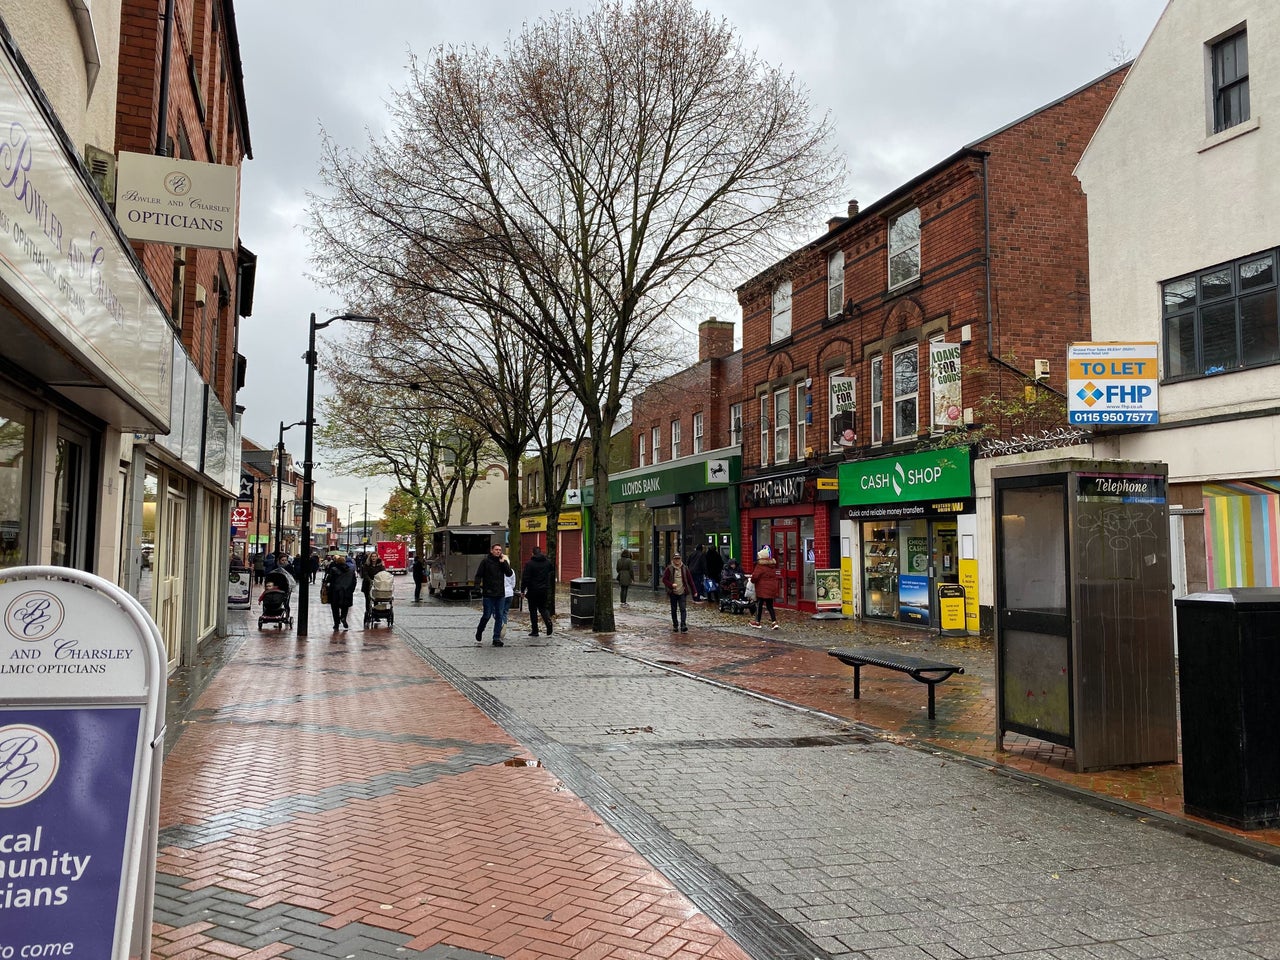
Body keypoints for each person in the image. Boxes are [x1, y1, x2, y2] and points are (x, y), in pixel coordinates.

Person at [473, 543, 513, 646]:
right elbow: (478, 575)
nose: (498, 551)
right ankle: (480, 629)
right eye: (496, 550)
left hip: (500, 594)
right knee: (487, 615)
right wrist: (477, 587)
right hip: (488, 594)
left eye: (500, 550)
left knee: (499, 616)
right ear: (492, 550)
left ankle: (496, 638)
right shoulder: (485, 562)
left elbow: (509, 574)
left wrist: (503, 563)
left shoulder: (502, 562)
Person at [522, 546, 555, 636]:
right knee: (543, 608)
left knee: (533, 610)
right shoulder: (547, 562)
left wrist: (522, 590)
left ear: (532, 553)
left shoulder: (529, 564)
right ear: (541, 552)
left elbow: (525, 578)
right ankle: (548, 621)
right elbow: (551, 570)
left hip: (532, 590)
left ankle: (535, 630)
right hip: (544, 589)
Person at [661, 552, 696, 632]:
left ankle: (683, 625)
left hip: (682, 591)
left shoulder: (685, 568)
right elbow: (664, 579)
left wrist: (694, 591)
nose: (677, 560)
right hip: (673, 592)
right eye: (675, 559)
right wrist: (671, 585)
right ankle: (675, 625)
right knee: (674, 609)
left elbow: (690, 580)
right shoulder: (669, 569)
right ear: (673, 560)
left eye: (678, 559)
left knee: (683, 608)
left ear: (680, 559)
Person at [322, 553, 357, 631]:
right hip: (347, 591)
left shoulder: (333, 570)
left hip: (335, 591)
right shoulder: (351, 571)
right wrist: (351, 590)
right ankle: (343, 617)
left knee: (335, 608)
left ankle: (336, 623)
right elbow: (354, 581)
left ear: (336, 562)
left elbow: (328, 580)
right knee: (345, 607)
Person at [749, 551, 782, 630]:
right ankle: (774, 622)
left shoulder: (760, 566)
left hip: (762, 589)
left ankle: (757, 622)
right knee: (770, 606)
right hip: (771, 588)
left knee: (759, 605)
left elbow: (755, 577)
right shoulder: (772, 566)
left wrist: (752, 581)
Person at [360, 553, 385, 621]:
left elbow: (383, 573)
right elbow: (365, 574)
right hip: (367, 585)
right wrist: (370, 580)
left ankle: (376, 615)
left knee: (376, 600)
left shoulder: (380, 565)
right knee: (368, 600)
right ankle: (368, 613)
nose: (373, 558)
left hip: (377, 584)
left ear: (377, 557)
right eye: (372, 556)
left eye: (375, 556)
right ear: (370, 557)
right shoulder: (366, 565)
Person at [501, 558, 517, 638]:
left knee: (498, 611)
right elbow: (513, 584)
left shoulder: (499, 570)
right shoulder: (512, 571)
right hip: (510, 594)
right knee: (505, 611)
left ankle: (501, 624)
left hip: (501, 594)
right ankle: (504, 624)